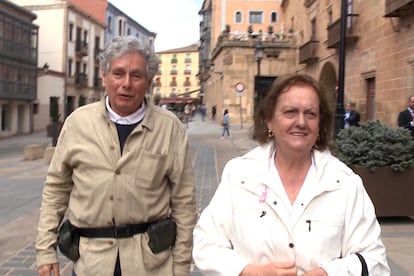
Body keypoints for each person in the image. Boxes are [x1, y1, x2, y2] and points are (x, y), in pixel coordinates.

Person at [193, 74, 390, 275]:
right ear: (269, 121)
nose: (301, 122)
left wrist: (329, 273)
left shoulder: (345, 183)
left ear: (320, 124)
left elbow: (375, 261)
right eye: (290, 112)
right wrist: (247, 271)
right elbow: (205, 244)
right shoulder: (239, 175)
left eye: (311, 114)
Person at [36, 36, 197, 276]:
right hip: (91, 264)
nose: (126, 84)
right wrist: (45, 250)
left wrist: (181, 265)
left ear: (149, 81)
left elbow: (184, 203)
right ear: (104, 77)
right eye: (118, 73)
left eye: (136, 75)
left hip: (151, 266)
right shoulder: (77, 124)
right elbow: (56, 189)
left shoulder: (170, 128)